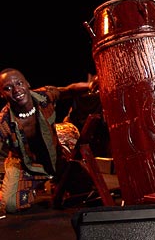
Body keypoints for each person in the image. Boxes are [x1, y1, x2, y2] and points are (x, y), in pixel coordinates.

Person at [0, 68, 92, 214]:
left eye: (19, 83)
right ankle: (33, 185)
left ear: (27, 83)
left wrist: (90, 85)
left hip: (54, 157)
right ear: (2, 94)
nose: (16, 90)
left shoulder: (44, 96)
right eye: (8, 88)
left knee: (86, 191)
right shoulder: (3, 123)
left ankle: (56, 179)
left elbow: (68, 90)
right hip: (25, 165)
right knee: (11, 205)